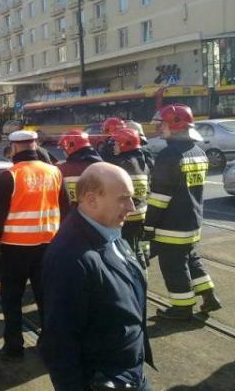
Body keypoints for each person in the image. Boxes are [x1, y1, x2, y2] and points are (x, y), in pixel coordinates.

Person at [41, 163, 154, 391]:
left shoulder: (111, 232)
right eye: (123, 198)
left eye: (131, 198)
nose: (131, 207)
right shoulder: (71, 257)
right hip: (106, 380)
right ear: (91, 200)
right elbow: (59, 342)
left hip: (128, 374)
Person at [0, 130, 69, 361]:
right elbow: (67, 211)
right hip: (48, 248)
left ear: (14, 148)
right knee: (46, 299)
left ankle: (14, 348)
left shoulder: (8, 177)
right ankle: (50, 344)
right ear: (35, 145)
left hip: (15, 250)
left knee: (11, 300)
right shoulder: (55, 173)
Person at [144, 104, 221, 319]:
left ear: (175, 125)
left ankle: (182, 308)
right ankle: (209, 296)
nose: (160, 129)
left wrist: (148, 226)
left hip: (172, 225)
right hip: (192, 221)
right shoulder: (198, 152)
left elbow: (159, 197)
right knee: (191, 259)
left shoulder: (169, 155)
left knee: (173, 266)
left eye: (163, 125)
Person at [112, 128, 152, 271]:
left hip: (127, 216)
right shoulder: (143, 163)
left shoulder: (120, 164)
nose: (114, 146)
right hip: (141, 213)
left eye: (116, 143)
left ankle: (134, 279)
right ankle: (143, 276)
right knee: (136, 248)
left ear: (124, 144)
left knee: (127, 251)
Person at [57, 129, 103, 205]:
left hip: (71, 213)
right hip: (98, 212)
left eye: (63, 149)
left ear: (70, 146)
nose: (63, 152)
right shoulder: (102, 166)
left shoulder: (62, 170)